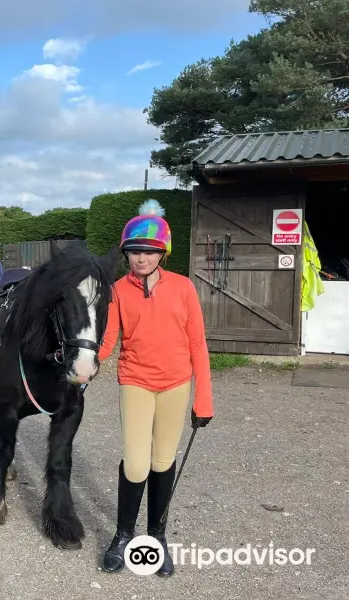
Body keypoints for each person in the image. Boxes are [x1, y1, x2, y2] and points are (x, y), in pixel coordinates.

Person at [97, 200, 214, 577]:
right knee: (135, 462)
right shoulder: (117, 290)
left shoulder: (183, 289)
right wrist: (85, 368)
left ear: (162, 252)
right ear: (126, 253)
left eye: (149, 252)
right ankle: (123, 535)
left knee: (162, 461)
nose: (141, 259)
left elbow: (198, 344)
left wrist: (204, 398)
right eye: (134, 251)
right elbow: (108, 339)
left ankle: (157, 537)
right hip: (136, 381)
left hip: (175, 383)